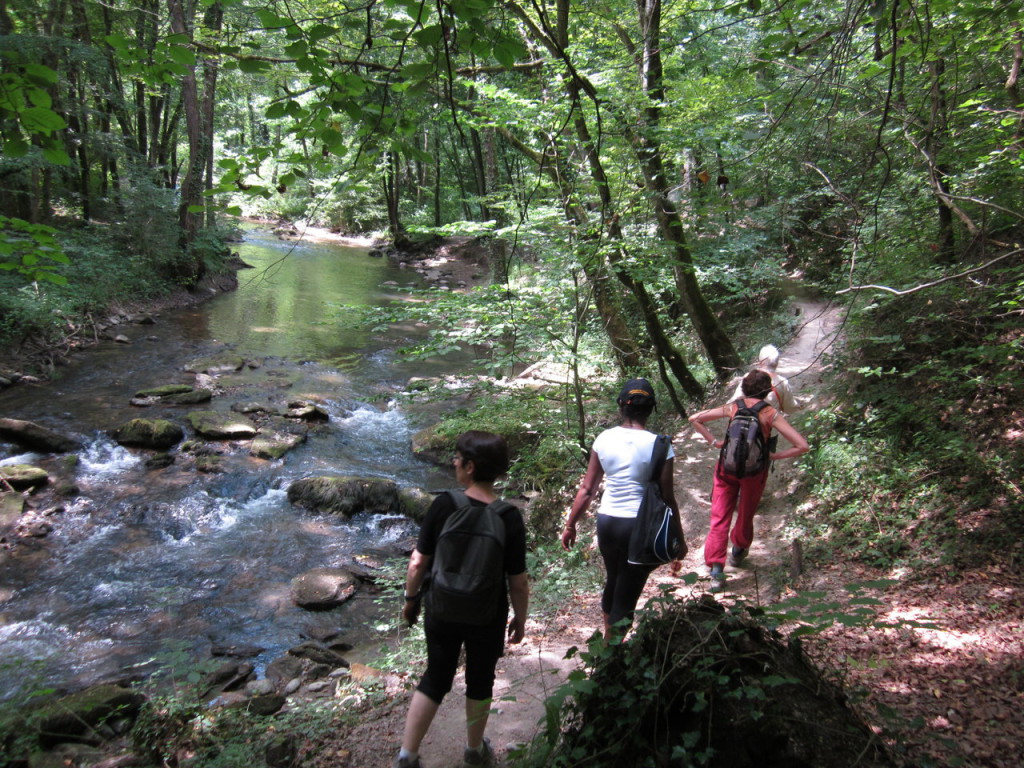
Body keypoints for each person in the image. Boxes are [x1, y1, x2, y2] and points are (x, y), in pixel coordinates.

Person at [395, 431, 529, 768]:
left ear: (470, 467)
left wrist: (411, 600)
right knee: (480, 679)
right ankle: (473, 752)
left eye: (457, 458)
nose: (453, 462)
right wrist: (520, 618)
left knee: (436, 677)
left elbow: (417, 562)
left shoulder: (444, 504)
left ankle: (407, 756)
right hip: (487, 613)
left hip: (441, 607)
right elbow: (518, 581)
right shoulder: (509, 517)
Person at [561, 378, 687, 638]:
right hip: (638, 526)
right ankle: (612, 659)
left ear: (621, 406)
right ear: (651, 409)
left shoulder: (604, 438)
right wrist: (679, 540)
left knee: (615, 578)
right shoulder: (660, 444)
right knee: (628, 588)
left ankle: (608, 641)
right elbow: (667, 497)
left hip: (607, 522)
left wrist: (570, 525)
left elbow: (587, 490)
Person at [690, 370, 809, 590]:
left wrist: (714, 442)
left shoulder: (734, 407)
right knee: (746, 511)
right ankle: (738, 549)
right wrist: (773, 455)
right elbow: (802, 445)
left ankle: (716, 569)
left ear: (744, 388)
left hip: (727, 469)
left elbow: (695, 419)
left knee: (719, 515)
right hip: (755, 471)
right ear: (767, 391)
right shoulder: (770, 413)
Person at [731, 343, 804, 414]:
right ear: (777, 363)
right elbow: (789, 409)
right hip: (769, 423)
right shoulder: (782, 382)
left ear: (761, 362)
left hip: (747, 422)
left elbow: (734, 401)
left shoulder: (748, 377)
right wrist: (797, 405)